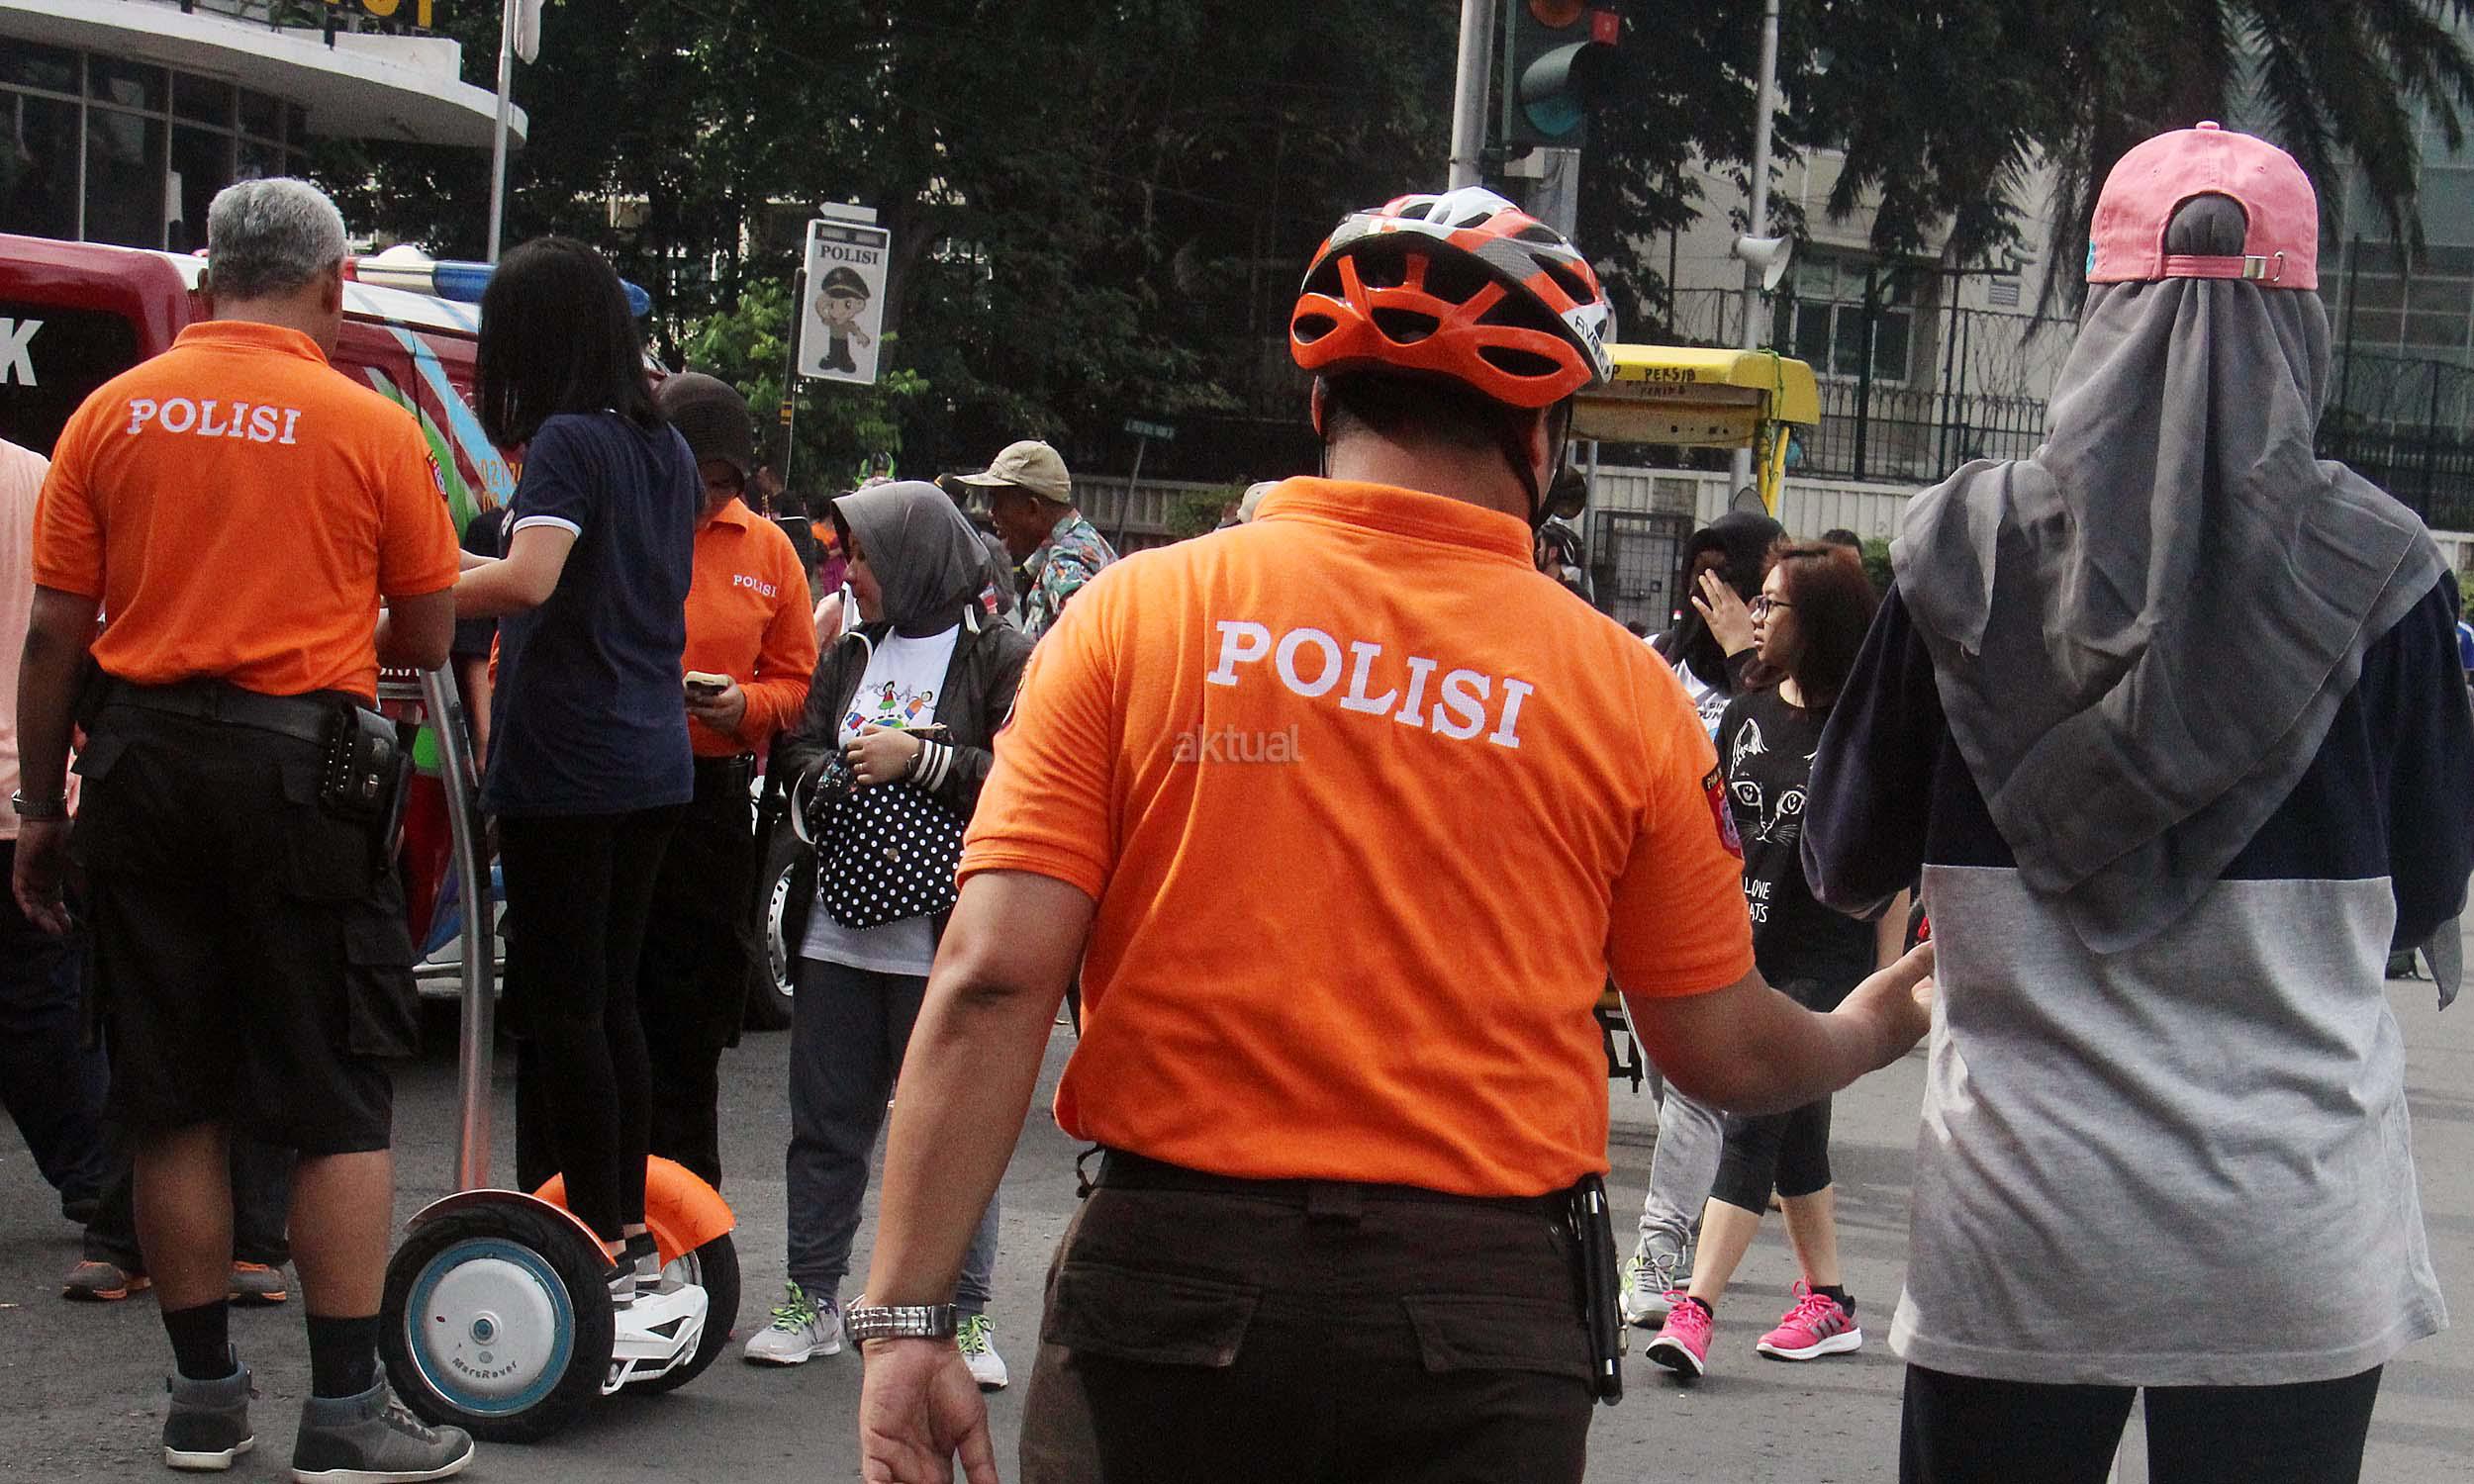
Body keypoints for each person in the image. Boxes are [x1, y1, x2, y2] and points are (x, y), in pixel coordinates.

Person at [844, 186, 1934, 1484]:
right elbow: (1715, 1044)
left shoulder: (1133, 619)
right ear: (1544, 434)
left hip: (1168, 1286)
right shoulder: (1624, 693)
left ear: (1320, 407)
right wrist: (1867, 1029)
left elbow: (991, 980)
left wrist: (906, 1321)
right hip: (1479, 1315)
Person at [1804, 126, 2474, 1484]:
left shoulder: (1957, 553)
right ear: (2302, 323)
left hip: (2022, 1230)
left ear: (2101, 311)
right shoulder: (2386, 574)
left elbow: (1840, 859)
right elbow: (2428, 888)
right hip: (2290, 1233)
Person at [13, 177, 472, 1480]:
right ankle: (344, 1409)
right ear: (332, 285)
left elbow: (55, 633)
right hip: (299, 779)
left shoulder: (111, 413)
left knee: (171, 1102)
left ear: (207, 279)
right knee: (335, 1100)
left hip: (142, 766)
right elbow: (426, 630)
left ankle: (204, 1399)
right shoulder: (371, 425)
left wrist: (40, 807)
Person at [740, 480, 1029, 1388]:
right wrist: (832, 772)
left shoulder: (998, 655)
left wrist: (921, 759)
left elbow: (1023, 770)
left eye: (863, 556)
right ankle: (812, 1299)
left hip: (943, 940)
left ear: (915, 560)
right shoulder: (851, 650)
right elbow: (799, 747)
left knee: (952, 1134)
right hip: (836, 936)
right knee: (825, 1127)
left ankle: (964, 1317)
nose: (850, 573)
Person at [455, 235, 697, 1309]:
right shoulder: (662, 445)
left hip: (568, 757)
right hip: (650, 753)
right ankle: (628, 1227)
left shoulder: (565, 441)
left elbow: (528, 579)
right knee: (612, 1003)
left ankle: (592, 1235)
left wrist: (400, 589)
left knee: (562, 1009)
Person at [1643, 543, 1907, 1380]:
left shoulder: (1859, 731)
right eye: (1755, 602)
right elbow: (1718, 833)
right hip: (1749, 947)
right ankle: (1829, 1301)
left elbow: (1888, 863)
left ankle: (1694, 1308)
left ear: (1815, 622)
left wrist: (1884, 979)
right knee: (1797, 1134)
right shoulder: (1748, 713)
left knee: (1757, 1115)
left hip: (1827, 959)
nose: (1754, 619)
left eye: (1771, 605)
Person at [631, 372, 816, 1189]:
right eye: (693, 478)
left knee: (692, 1014)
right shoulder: (619, 523)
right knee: (610, 1004)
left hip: (710, 795)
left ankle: (687, 1205)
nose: (707, 499)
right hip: (616, 789)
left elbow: (797, 682)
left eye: (724, 483)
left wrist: (746, 705)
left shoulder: (769, 552)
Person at [1620, 504, 1782, 1329]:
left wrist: (1748, 657)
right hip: (1644, 901)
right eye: (1700, 573)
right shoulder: (1655, 664)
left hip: (1741, 912)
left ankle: (1659, 1250)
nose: (1709, 591)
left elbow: (1800, 752)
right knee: (1671, 1084)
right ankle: (1698, 1220)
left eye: (1731, 578)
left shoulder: (1782, 678)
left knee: (1694, 1086)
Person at [0, 432, 111, 1236]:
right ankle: (96, 1179)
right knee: (38, 997)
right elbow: (71, 631)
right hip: (22, 777)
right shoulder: (33, 473)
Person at [957, 438, 1115, 640]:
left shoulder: (1065, 567)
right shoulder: (1085, 544)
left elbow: (1088, 651)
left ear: (1032, 508)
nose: (991, 512)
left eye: (997, 501)